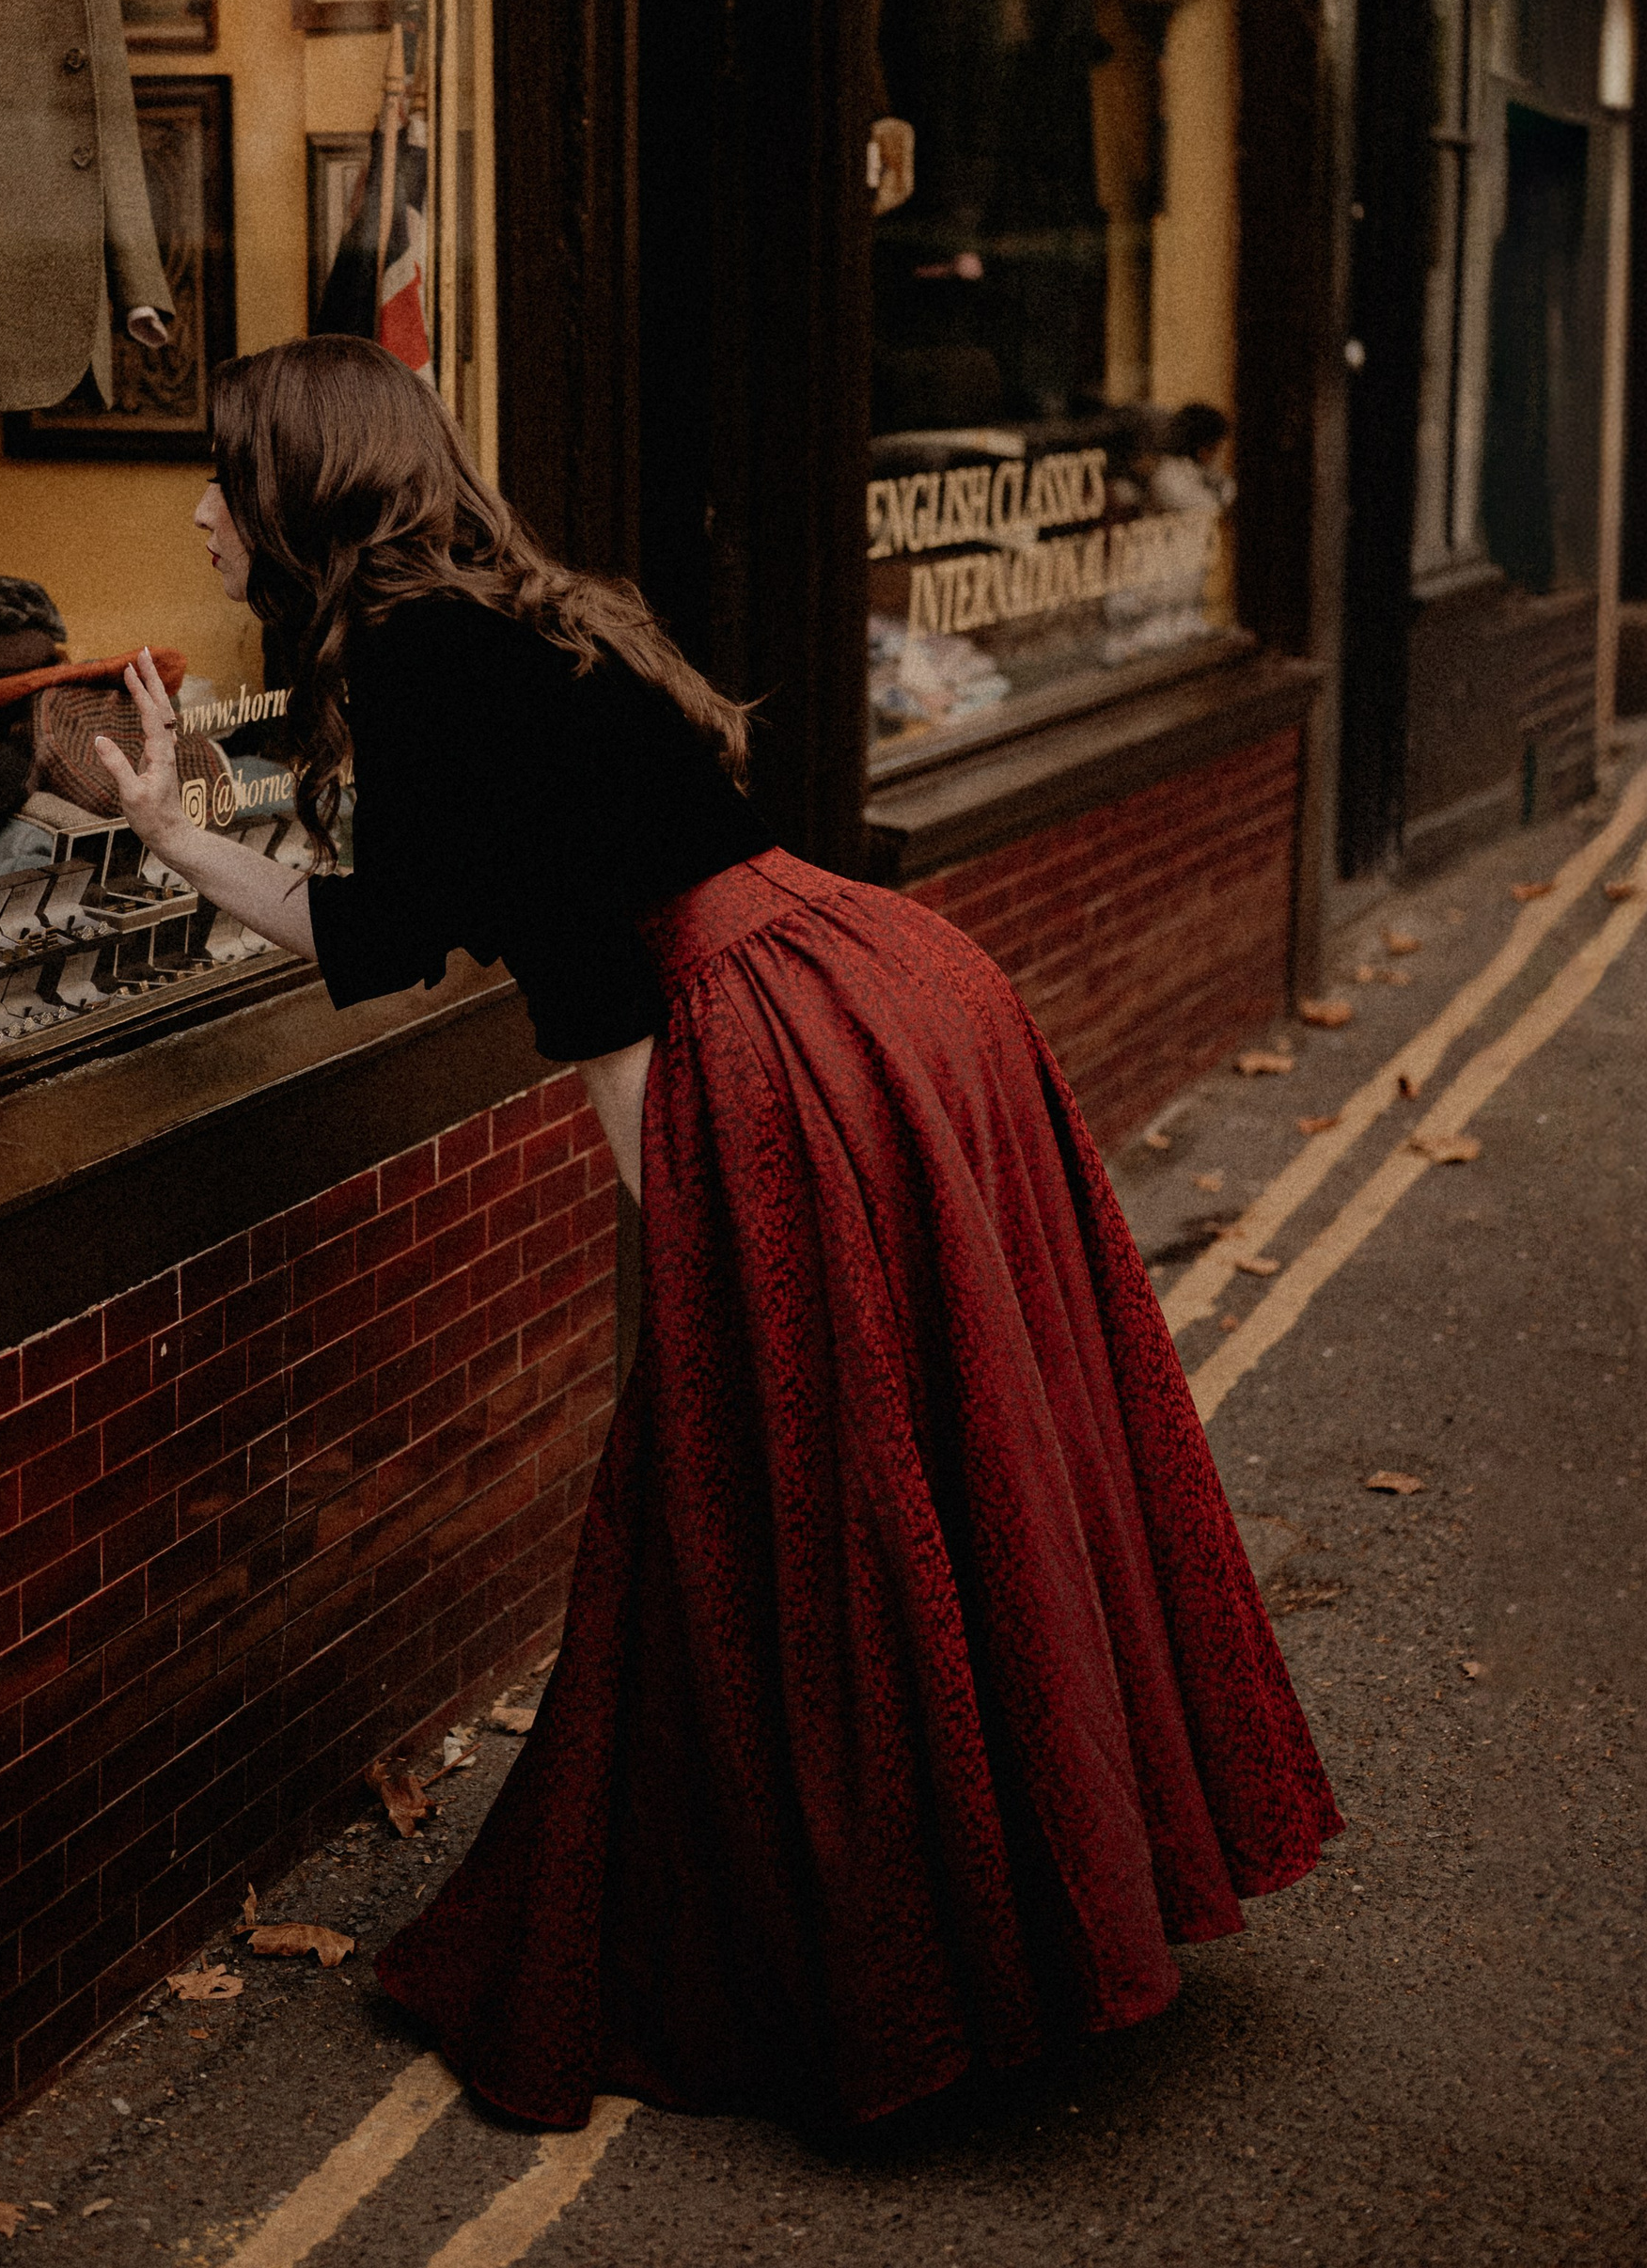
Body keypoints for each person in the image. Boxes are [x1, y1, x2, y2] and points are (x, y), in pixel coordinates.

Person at [94, 334, 1339, 2133]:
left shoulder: (428, 659)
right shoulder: (502, 618)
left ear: (301, 493)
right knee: (932, 1448)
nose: (202, 510)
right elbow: (393, 928)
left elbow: (594, 988)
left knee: (793, 1481)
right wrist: (164, 829)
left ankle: (918, 1952)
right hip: (877, 985)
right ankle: (1031, 1884)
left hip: (769, 1044)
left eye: (221, 475)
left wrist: (685, 1235)